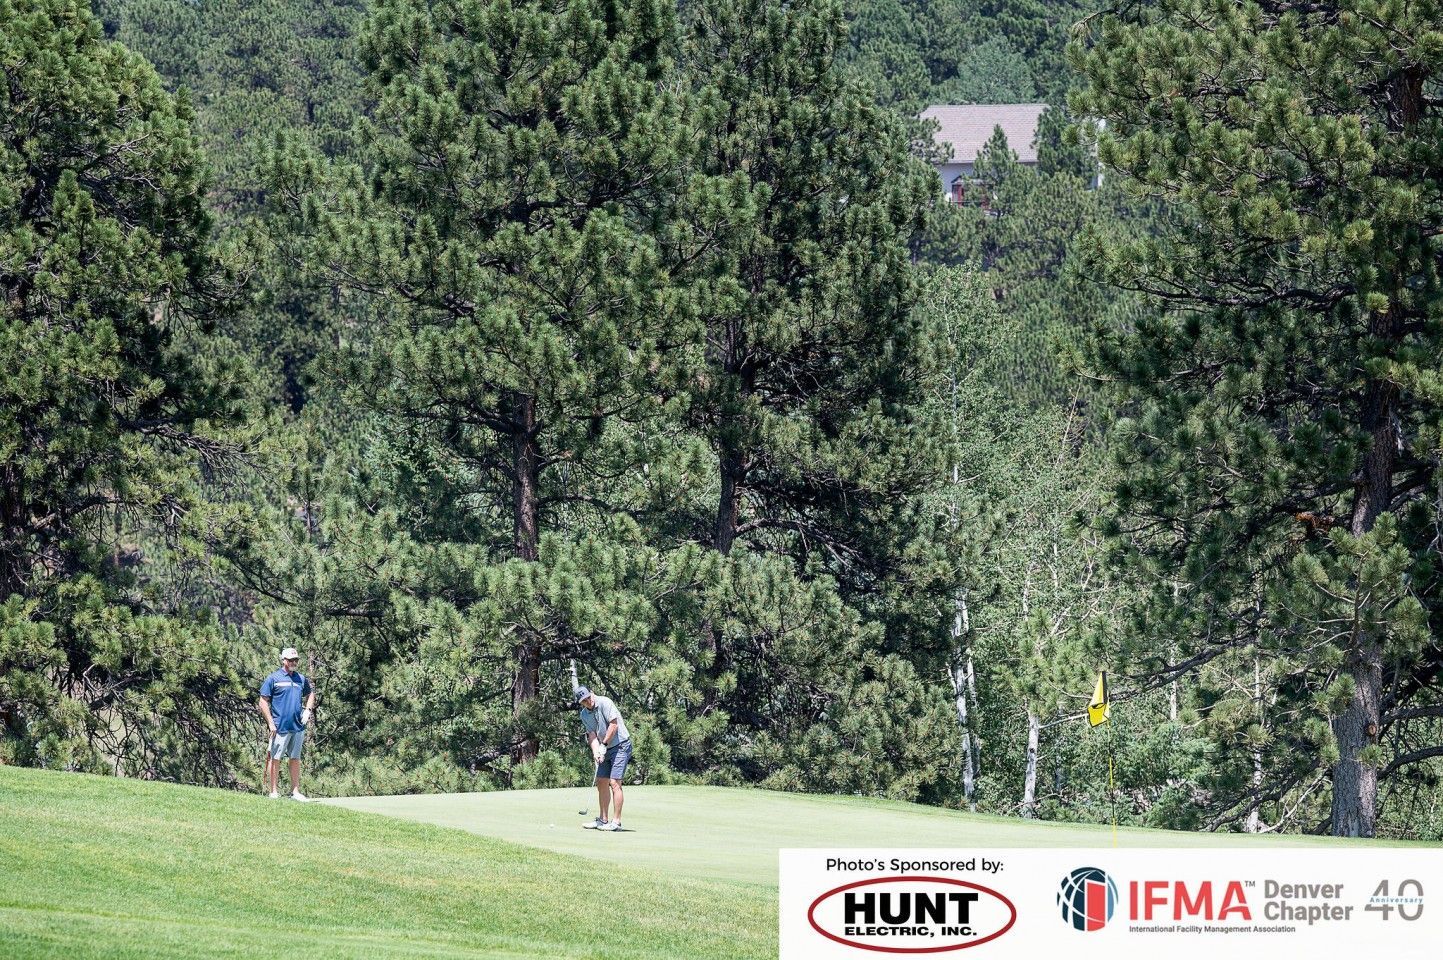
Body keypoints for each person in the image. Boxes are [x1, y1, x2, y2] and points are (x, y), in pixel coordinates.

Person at [259, 647, 315, 801]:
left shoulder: (301, 679)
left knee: (295, 758)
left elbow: (310, 694)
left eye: (296, 660)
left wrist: (308, 710)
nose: (293, 663)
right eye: (290, 660)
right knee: (275, 758)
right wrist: (270, 723)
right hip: (279, 726)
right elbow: (263, 702)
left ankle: (295, 792)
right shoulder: (273, 678)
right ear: (283, 660)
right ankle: (274, 792)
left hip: (297, 726)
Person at [576, 685, 631, 831]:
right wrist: (596, 752)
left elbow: (614, 726)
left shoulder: (605, 702)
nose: (588, 701)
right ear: (581, 703)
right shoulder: (584, 715)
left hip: (621, 745)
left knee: (614, 782)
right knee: (601, 782)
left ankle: (616, 822)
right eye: (584, 701)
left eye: (588, 697)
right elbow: (592, 734)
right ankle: (603, 820)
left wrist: (604, 744)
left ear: (592, 693)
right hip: (604, 748)